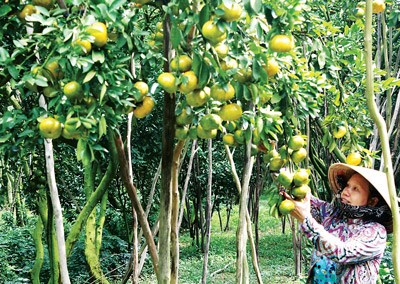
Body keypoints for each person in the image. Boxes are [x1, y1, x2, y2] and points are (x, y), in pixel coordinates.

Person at [283, 163, 394, 284]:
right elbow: (298, 193)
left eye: (355, 189)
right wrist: (274, 165)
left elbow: (343, 252)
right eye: (347, 185)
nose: (346, 191)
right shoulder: (331, 213)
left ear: (372, 201)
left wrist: (306, 220)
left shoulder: (376, 232)